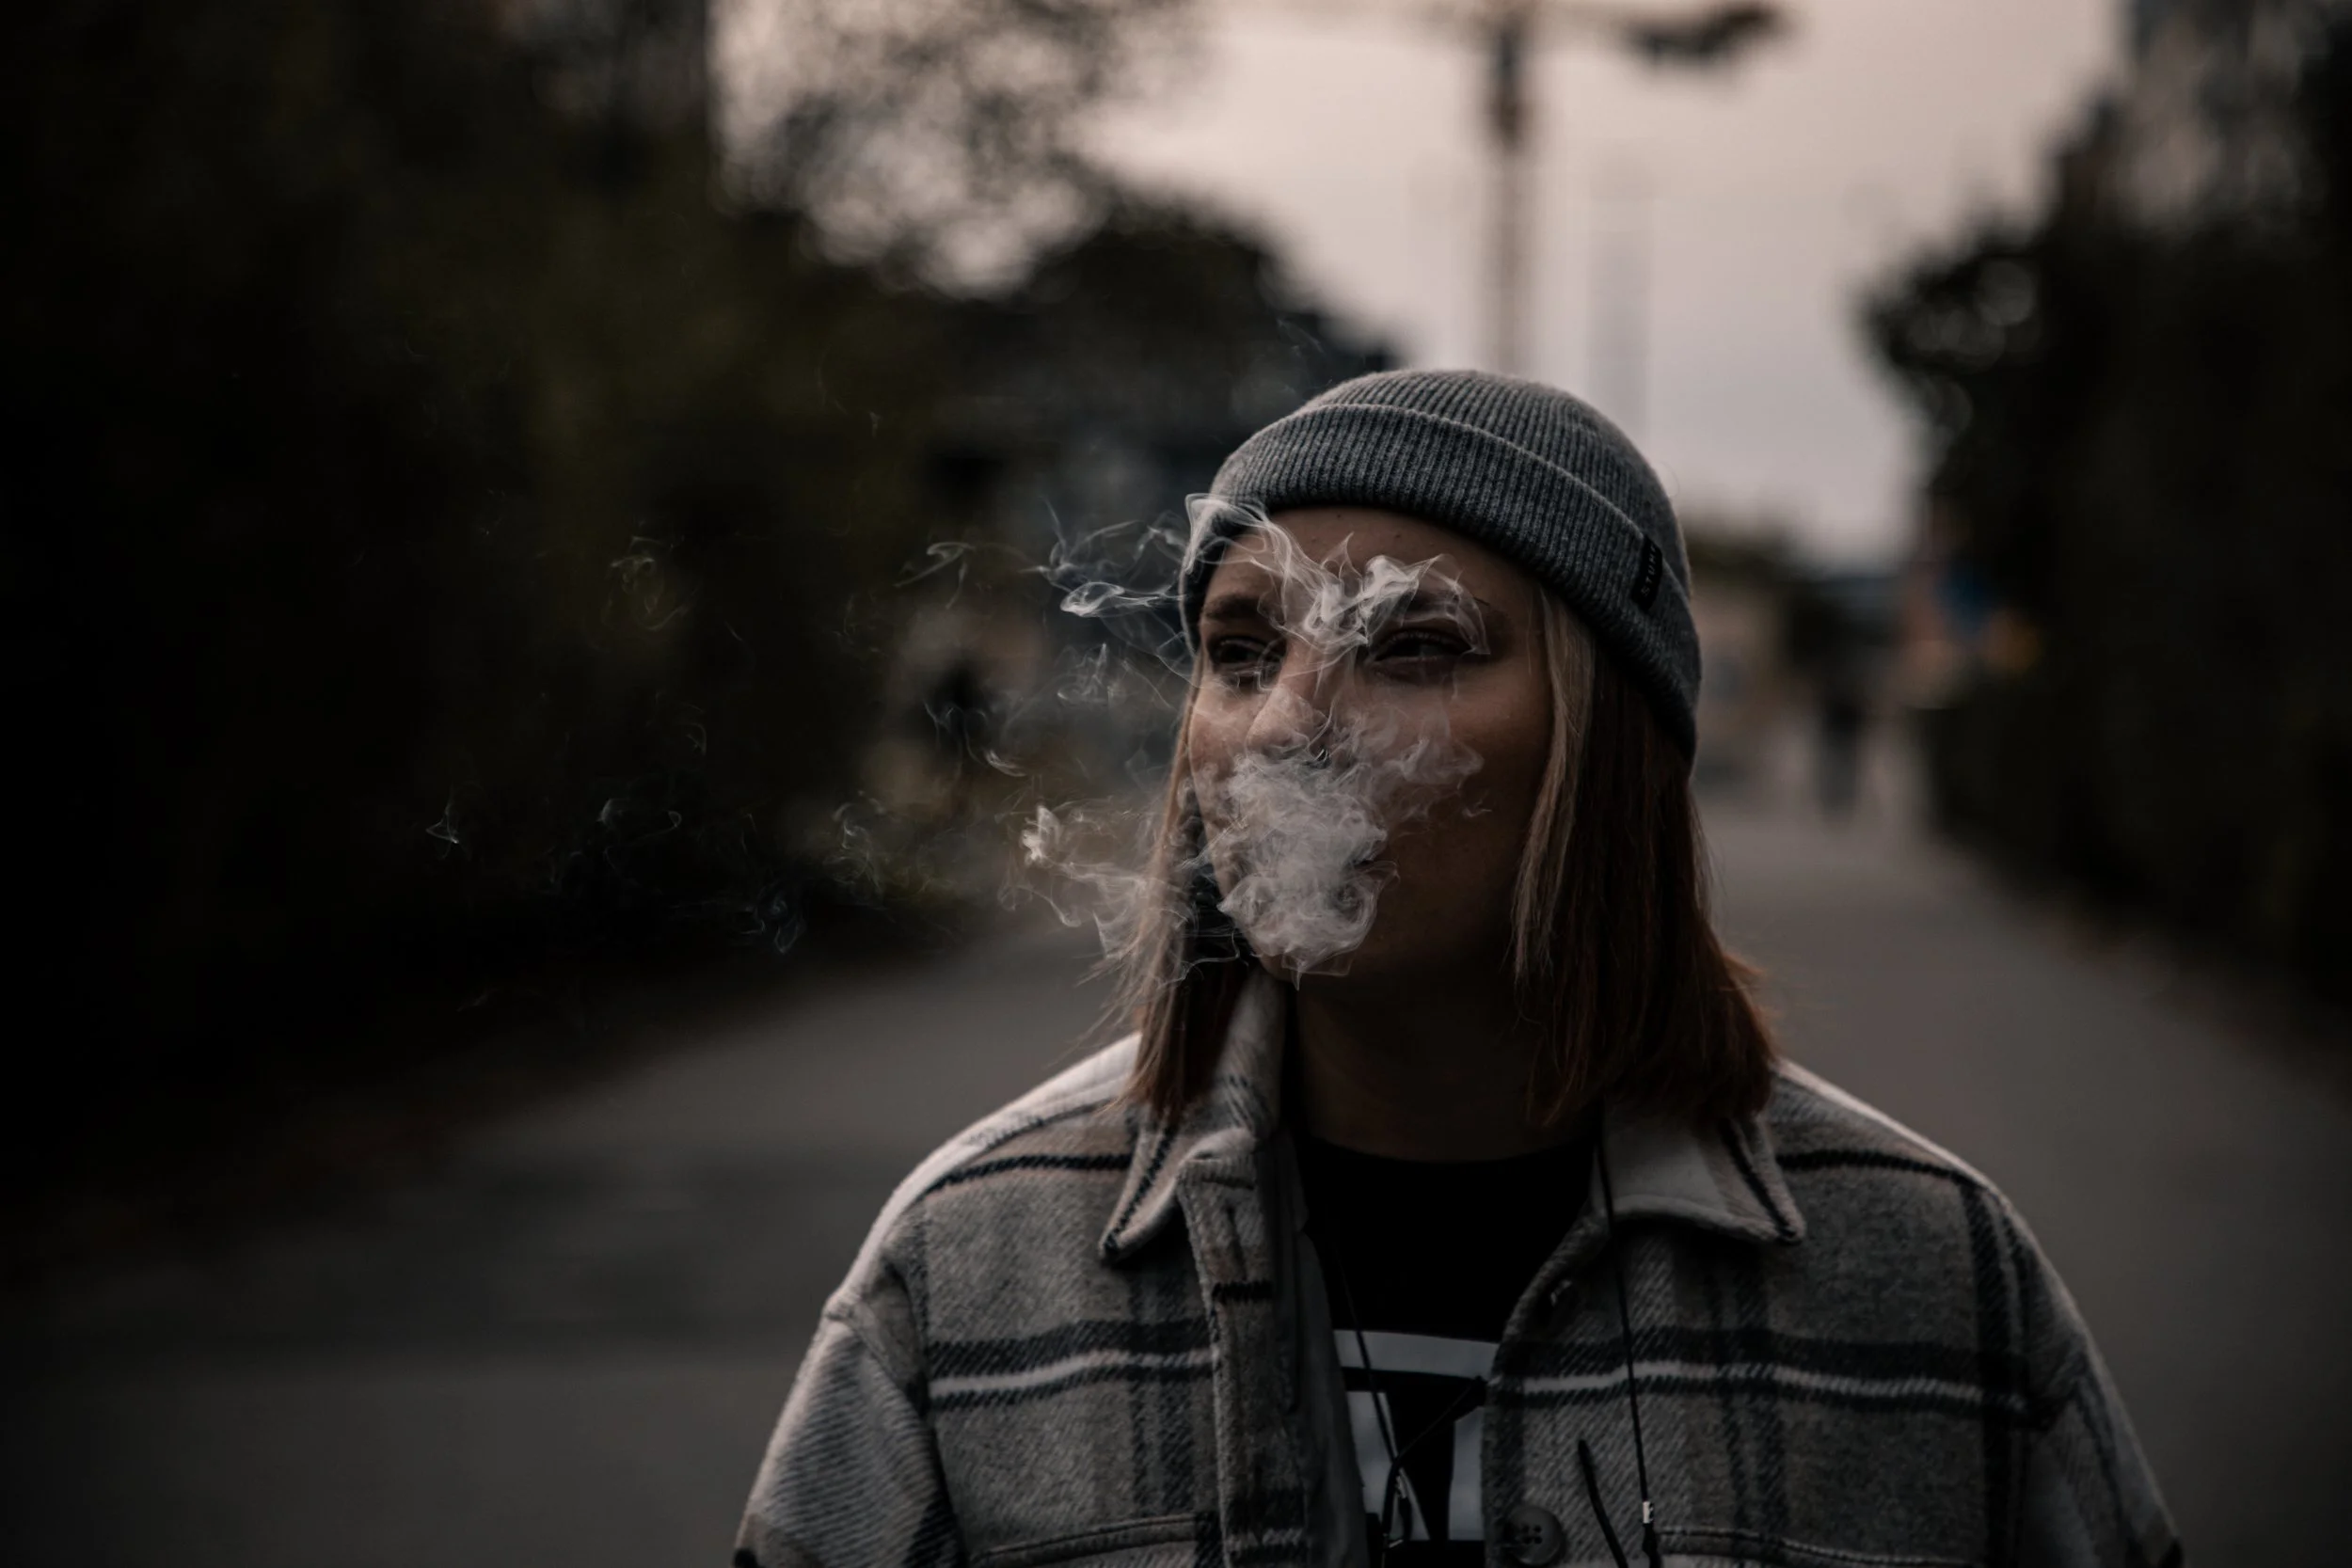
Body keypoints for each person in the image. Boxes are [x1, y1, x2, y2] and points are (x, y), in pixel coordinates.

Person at [734, 371, 2180, 1568]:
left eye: (1414, 643)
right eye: (1241, 652)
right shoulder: (968, 1262)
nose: (1290, 719)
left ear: (1605, 745)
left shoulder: (1928, 1278)